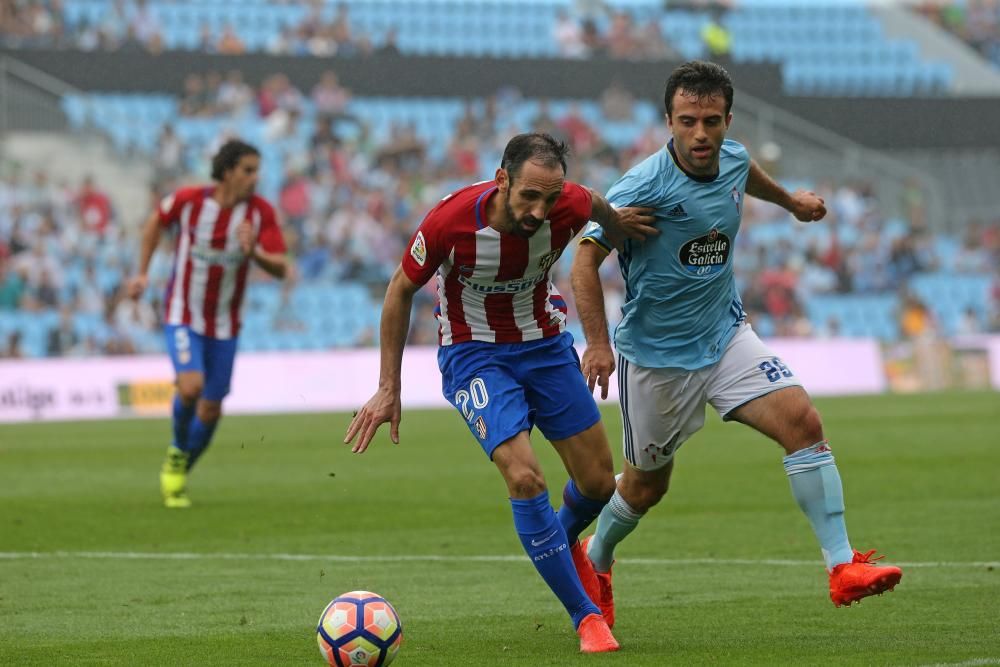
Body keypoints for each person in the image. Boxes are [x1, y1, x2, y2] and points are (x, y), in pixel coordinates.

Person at [570, 61, 902, 628]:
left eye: (712, 121)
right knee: (647, 486)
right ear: (668, 122)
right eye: (688, 122)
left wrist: (793, 203)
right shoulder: (642, 187)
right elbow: (584, 260)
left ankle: (841, 565)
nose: (701, 134)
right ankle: (597, 557)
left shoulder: (734, 156)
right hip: (656, 360)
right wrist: (597, 344)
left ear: (727, 120)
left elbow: (747, 176)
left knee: (803, 422)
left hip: (726, 336)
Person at [344, 133, 657, 654]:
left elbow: (595, 204)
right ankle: (586, 616)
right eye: (529, 196)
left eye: (549, 199)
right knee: (524, 476)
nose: (539, 210)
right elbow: (400, 289)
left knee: (600, 484)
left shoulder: (570, 203)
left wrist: (619, 224)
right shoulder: (450, 222)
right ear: (502, 179)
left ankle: (560, 542)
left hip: (546, 345)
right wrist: (387, 387)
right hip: (474, 355)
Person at [126, 140, 289, 508]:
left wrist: (253, 253)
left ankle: (180, 467)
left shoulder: (260, 213)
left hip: (225, 324)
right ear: (228, 171)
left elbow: (281, 267)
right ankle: (177, 451)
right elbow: (155, 222)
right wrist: (141, 273)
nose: (255, 177)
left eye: (257, 170)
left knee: (212, 409)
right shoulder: (189, 201)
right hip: (183, 313)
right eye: (248, 170)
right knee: (190, 386)